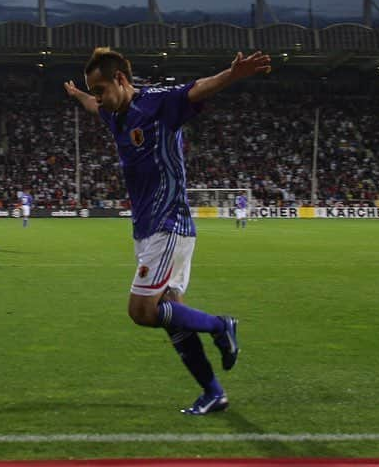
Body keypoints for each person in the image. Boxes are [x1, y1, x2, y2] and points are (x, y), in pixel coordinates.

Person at [65, 46, 271, 415]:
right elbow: (94, 107)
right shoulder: (115, 114)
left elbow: (197, 89)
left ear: (121, 80)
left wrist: (233, 74)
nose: (98, 98)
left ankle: (221, 325)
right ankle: (213, 393)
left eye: (100, 89)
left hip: (168, 223)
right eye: (92, 91)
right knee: (173, 317)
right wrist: (80, 95)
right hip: (146, 231)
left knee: (141, 311)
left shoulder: (157, 103)